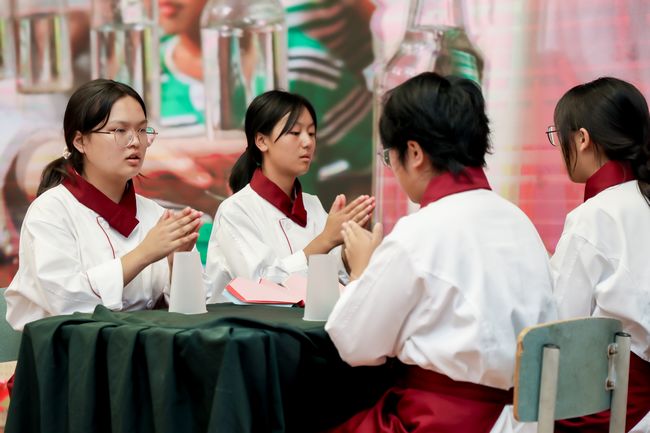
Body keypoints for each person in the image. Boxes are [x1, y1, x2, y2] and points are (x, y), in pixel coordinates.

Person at [324, 72, 557, 433]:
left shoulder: (419, 232)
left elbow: (354, 345)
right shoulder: (519, 222)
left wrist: (360, 271)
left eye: (390, 156)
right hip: (525, 421)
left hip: (444, 421)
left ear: (415, 153)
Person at [4, 79, 203, 331]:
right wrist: (144, 253)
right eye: (120, 130)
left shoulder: (156, 214)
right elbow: (66, 303)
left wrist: (179, 263)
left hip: (146, 347)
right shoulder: (50, 211)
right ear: (80, 141)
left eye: (142, 130)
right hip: (69, 351)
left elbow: (191, 312)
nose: (135, 141)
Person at [548, 77, 650, 433]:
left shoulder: (596, 214)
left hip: (613, 405)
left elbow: (559, 327)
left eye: (558, 135)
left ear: (582, 138)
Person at [205, 90, 374, 299]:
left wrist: (351, 247)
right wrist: (325, 240)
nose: (308, 142)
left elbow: (333, 277)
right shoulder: (235, 210)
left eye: (311, 133)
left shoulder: (312, 205)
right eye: (295, 132)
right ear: (261, 141)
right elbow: (259, 286)